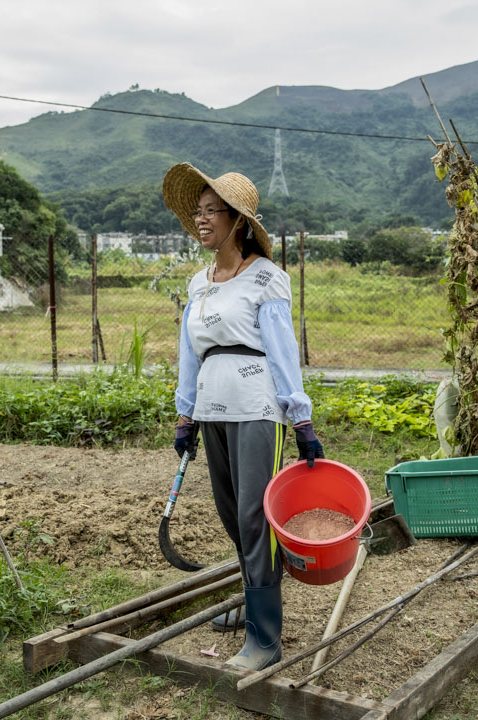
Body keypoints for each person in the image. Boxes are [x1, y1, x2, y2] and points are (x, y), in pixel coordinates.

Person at [162, 163, 324, 671]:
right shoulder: (198, 283)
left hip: (257, 408)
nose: (201, 220)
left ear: (238, 221)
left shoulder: (267, 278)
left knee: (255, 518)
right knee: (233, 515)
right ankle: (253, 602)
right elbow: (191, 354)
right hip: (212, 408)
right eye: (198, 211)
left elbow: (281, 350)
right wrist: (185, 415)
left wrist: (301, 419)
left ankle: (265, 639)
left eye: (212, 211)